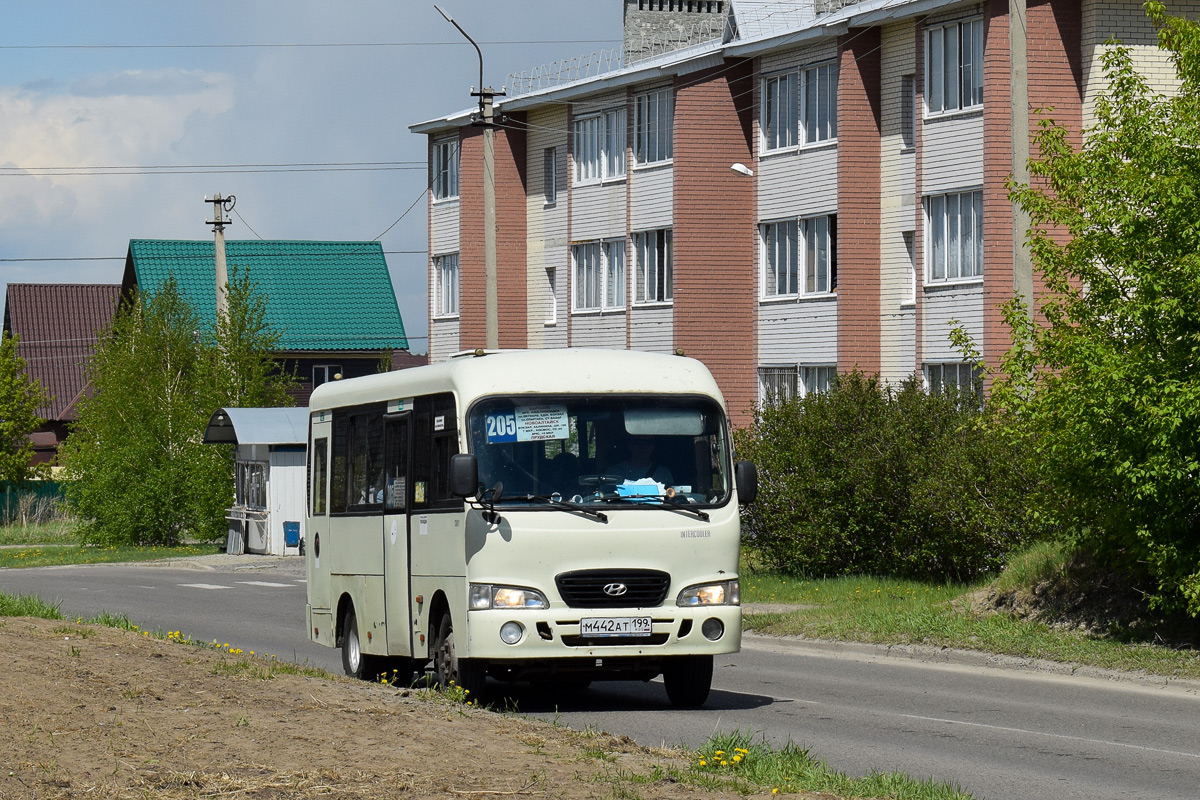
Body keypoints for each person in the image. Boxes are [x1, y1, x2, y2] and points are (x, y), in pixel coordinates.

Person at [607, 437, 673, 485]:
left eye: (647, 444)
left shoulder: (663, 473)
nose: (643, 447)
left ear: (652, 447)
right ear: (630, 446)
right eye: (638, 443)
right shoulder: (614, 472)